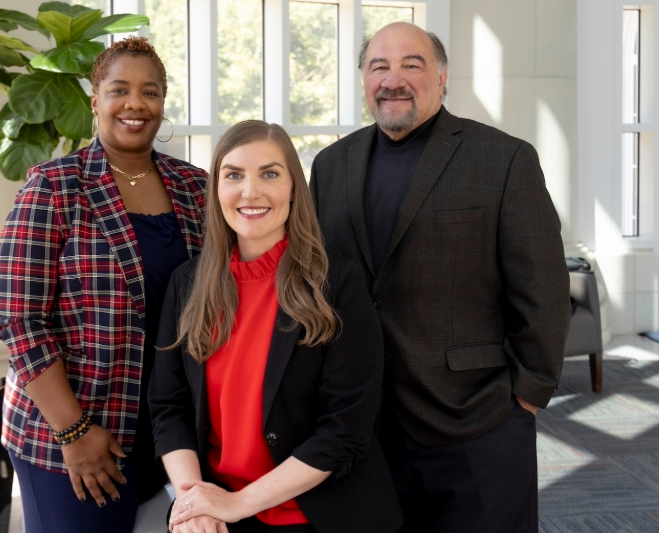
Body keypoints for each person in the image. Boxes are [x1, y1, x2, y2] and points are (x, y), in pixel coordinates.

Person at [308, 22, 570, 533]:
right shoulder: (331, 165)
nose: (393, 79)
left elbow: (544, 289)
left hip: (477, 421)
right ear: (363, 78)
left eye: (412, 64)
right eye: (378, 66)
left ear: (443, 76)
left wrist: (526, 399)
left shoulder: (502, 158)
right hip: (368, 428)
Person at [0, 37, 207, 533]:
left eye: (149, 92)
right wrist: (74, 431)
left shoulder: (195, 187)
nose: (135, 104)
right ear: (95, 100)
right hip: (75, 433)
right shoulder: (53, 186)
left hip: (166, 428)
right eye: (119, 89)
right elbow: (19, 320)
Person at [149, 120, 401, 533]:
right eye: (233, 175)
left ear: (293, 188)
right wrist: (197, 501)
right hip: (220, 514)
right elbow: (168, 408)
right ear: (216, 191)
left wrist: (237, 503)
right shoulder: (187, 284)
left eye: (270, 173)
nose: (251, 192)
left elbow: (345, 431)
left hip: (317, 516)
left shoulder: (337, 284)